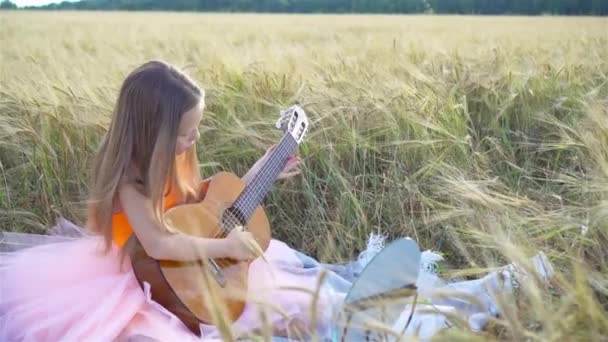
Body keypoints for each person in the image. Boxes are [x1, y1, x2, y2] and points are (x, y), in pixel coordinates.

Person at [0, 60, 335, 341]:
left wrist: (265, 169)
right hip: (139, 281)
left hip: (193, 262)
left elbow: (206, 213)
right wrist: (226, 249)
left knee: (309, 305)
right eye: (187, 133)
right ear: (153, 133)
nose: (196, 138)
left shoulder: (169, 159)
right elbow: (160, 245)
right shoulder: (129, 182)